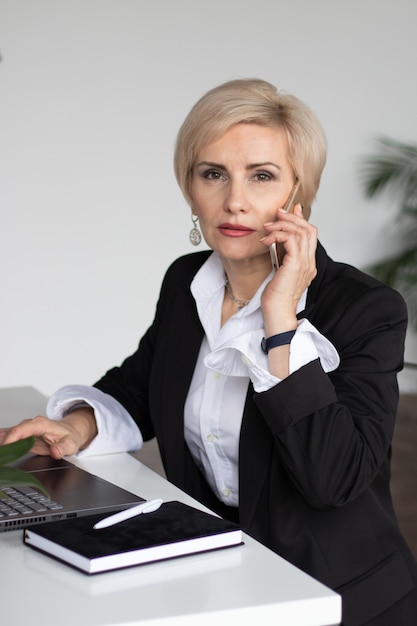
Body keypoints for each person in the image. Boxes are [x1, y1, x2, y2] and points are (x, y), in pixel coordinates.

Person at [1, 78, 417, 624]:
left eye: (261, 176)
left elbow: (333, 479)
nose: (235, 201)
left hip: (336, 598)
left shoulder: (366, 308)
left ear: (298, 194)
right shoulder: (186, 282)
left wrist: (280, 322)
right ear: (188, 185)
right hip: (218, 578)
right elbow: (143, 382)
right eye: (213, 173)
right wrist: (80, 424)